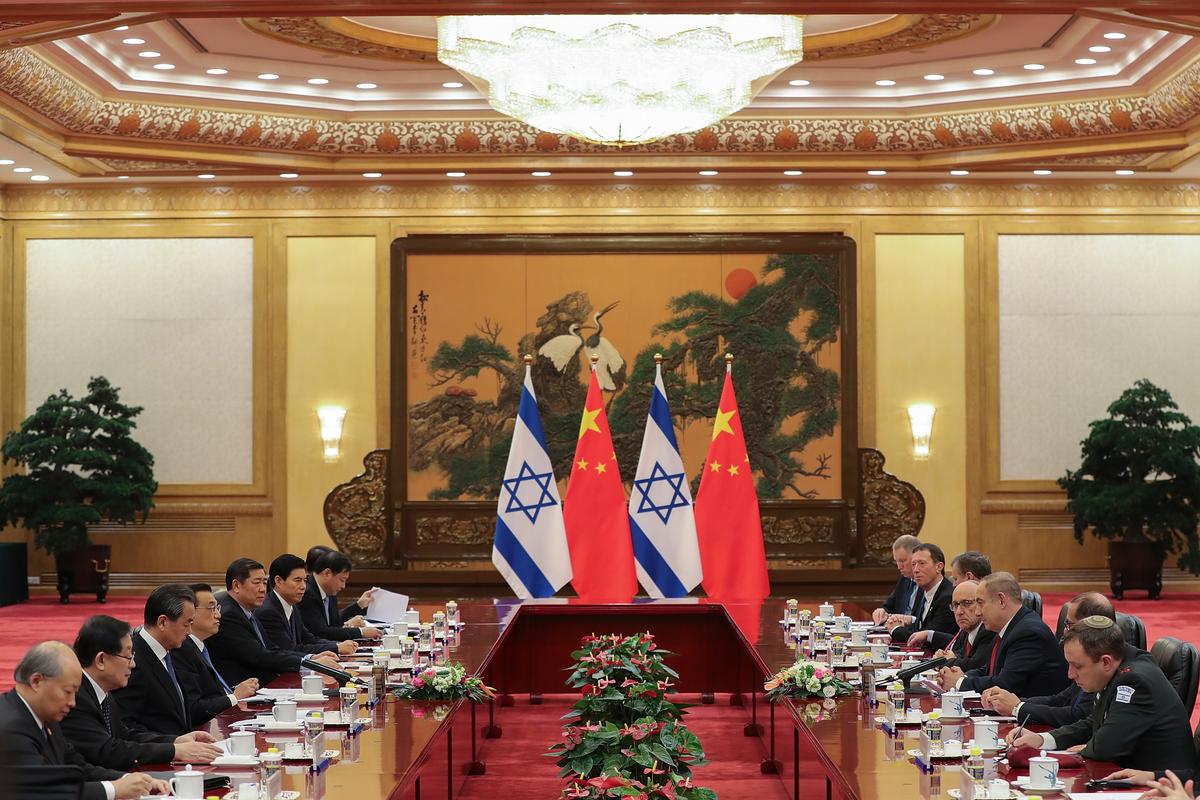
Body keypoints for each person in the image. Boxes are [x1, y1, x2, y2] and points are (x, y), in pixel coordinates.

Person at [1007, 616, 1195, 773]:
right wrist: (1043, 739)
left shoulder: (1135, 681)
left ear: (1105, 661)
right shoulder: (1119, 665)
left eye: (1078, 666)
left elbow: (1105, 748)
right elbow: (1095, 722)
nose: (1070, 674)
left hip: (1160, 788)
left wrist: (1090, 747)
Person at [0, 641, 169, 799]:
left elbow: (76, 766)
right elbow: (44, 792)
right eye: (68, 691)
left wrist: (131, 780)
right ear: (36, 681)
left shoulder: (44, 714)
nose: (73, 702)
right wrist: (114, 789)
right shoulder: (10, 728)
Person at [60, 615, 220, 770]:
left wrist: (176, 741)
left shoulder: (102, 692)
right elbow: (107, 750)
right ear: (101, 660)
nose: (133, 664)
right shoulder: (75, 697)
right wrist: (174, 751)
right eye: (128, 656)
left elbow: (124, 735)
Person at [979, 592, 1114, 725]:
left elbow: (1078, 715)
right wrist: (1015, 702)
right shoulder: (1086, 658)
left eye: (1069, 625)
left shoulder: (1102, 665)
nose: (1065, 631)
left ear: (1091, 628)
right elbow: (1061, 699)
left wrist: (1017, 707)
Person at [207, 558, 340, 686]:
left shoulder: (246, 611)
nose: (262, 589)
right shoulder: (230, 615)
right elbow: (260, 656)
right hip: (244, 692)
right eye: (256, 582)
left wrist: (311, 659)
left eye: (264, 583)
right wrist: (309, 663)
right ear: (236, 585)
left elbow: (272, 648)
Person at [936, 571, 1069, 696]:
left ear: (1001, 600)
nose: (977, 612)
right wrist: (962, 676)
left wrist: (959, 682)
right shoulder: (1010, 626)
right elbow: (988, 670)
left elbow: (1006, 684)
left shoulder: (1028, 633)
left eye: (981, 603)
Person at [112, 584, 203, 738]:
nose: (189, 631)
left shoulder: (169, 652)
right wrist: (174, 743)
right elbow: (126, 727)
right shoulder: (133, 661)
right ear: (162, 622)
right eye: (186, 624)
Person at [172, 583, 260, 725]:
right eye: (211, 608)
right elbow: (194, 708)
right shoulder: (181, 650)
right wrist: (234, 697)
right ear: (189, 613)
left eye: (217, 608)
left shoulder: (199, 646)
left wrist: (236, 691)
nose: (219, 615)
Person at [255, 554, 356, 657]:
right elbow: (288, 649)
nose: (303, 586)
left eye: (305, 580)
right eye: (298, 580)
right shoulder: (268, 612)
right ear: (279, 581)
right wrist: (336, 648)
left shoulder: (292, 605)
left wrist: (338, 645)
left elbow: (309, 639)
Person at [906, 579, 995, 672]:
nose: (959, 612)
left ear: (981, 604)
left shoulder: (988, 630)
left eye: (967, 603)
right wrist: (945, 658)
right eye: (955, 605)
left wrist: (944, 661)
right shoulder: (965, 629)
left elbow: (973, 665)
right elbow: (957, 655)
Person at [299, 550, 382, 642]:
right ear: (327, 573)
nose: (343, 586)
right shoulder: (307, 593)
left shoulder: (329, 591)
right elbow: (321, 632)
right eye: (342, 580)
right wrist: (361, 632)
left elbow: (335, 622)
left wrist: (359, 605)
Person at [887, 543, 956, 643]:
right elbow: (920, 628)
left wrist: (895, 629)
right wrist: (909, 620)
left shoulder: (947, 597)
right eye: (913, 564)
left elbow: (927, 637)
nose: (915, 570)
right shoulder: (925, 591)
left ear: (939, 567)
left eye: (922, 563)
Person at [872, 535, 920, 625]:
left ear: (916, 557)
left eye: (902, 561)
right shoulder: (904, 579)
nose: (899, 567)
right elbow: (889, 606)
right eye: (896, 561)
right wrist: (882, 612)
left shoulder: (927, 583)